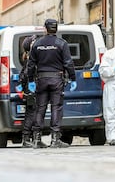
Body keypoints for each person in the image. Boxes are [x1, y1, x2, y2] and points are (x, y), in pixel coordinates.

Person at [27, 19, 77, 148]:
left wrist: (31, 80)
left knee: (40, 108)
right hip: (56, 79)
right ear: (56, 29)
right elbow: (68, 62)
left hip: (41, 79)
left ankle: (36, 139)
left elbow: (31, 64)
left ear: (45, 28)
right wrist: (73, 77)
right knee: (56, 107)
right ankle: (55, 139)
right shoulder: (61, 43)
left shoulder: (37, 44)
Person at [16, 35, 38, 148]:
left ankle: (33, 138)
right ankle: (26, 138)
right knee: (31, 114)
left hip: (29, 89)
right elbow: (25, 74)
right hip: (30, 90)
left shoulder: (29, 57)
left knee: (32, 113)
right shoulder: (30, 59)